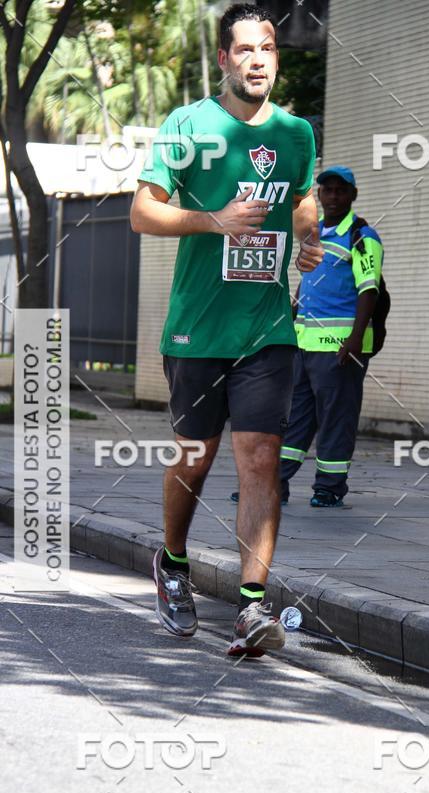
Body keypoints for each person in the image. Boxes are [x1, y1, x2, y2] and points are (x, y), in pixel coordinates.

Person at [130, 3, 322, 657]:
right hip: (196, 327)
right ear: (223, 59)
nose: (259, 58)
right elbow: (143, 212)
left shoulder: (296, 132)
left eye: (268, 47)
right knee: (196, 457)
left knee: (261, 456)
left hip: (266, 328)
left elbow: (300, 195)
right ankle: (173, 565)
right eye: (244, 49)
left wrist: (308, 235)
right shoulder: (189, 125)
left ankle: (250, 608)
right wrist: (215, 220)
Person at [279, 166, 384, 506]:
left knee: (336, 419)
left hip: (340, 349)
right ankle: (274, 483)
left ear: (352, 195)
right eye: (328, 190)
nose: (334, 196)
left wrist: (355, 340)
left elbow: (369, 290)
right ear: (319, 195)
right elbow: (306, 287)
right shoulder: (313, 235)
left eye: (341, 190)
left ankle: (329, 488)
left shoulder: (362, 237)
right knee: (295, 419)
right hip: (304, 346)